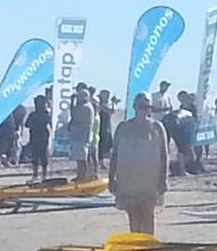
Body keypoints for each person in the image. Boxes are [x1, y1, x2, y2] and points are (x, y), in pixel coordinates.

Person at [109, 94, 168, 234]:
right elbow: (115, 154)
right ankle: (136, 244)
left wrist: (164, 178)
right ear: (135, 107)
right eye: (142, 106)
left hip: (150, 179)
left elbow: (164, 154)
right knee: (133, 215)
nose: (145, 110)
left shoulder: (157, 127)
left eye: (148, 107)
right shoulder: (123, 127)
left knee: (148, 214)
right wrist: (111, 178)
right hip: (128, 179)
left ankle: (148, 246)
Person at [68, 88, 95, 181]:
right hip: (79, 136)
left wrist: (72, 103)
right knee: (81, 158)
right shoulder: (83, 107)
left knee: (82, 159)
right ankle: (82, 175)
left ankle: (83, 177)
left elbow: (74, 115)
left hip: (82, 136)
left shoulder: (86, 108)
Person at [25, 95, 52, 181]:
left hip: (41, 137)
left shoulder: (45, 114)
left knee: (41, 156)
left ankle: (42, 175)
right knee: (37, 156)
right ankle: (37, 175)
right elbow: (27, 124)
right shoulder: (35, 114)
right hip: (36, 137)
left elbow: (50, 124)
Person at [97, 89, 114, 166]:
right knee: (102, 144)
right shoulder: (100, 105)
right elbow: (111, 111)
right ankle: (101, 161)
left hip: (107, 126)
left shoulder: (106, 105)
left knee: (108, 143)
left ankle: (102, 160)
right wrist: (113, 103)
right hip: (101, 126)